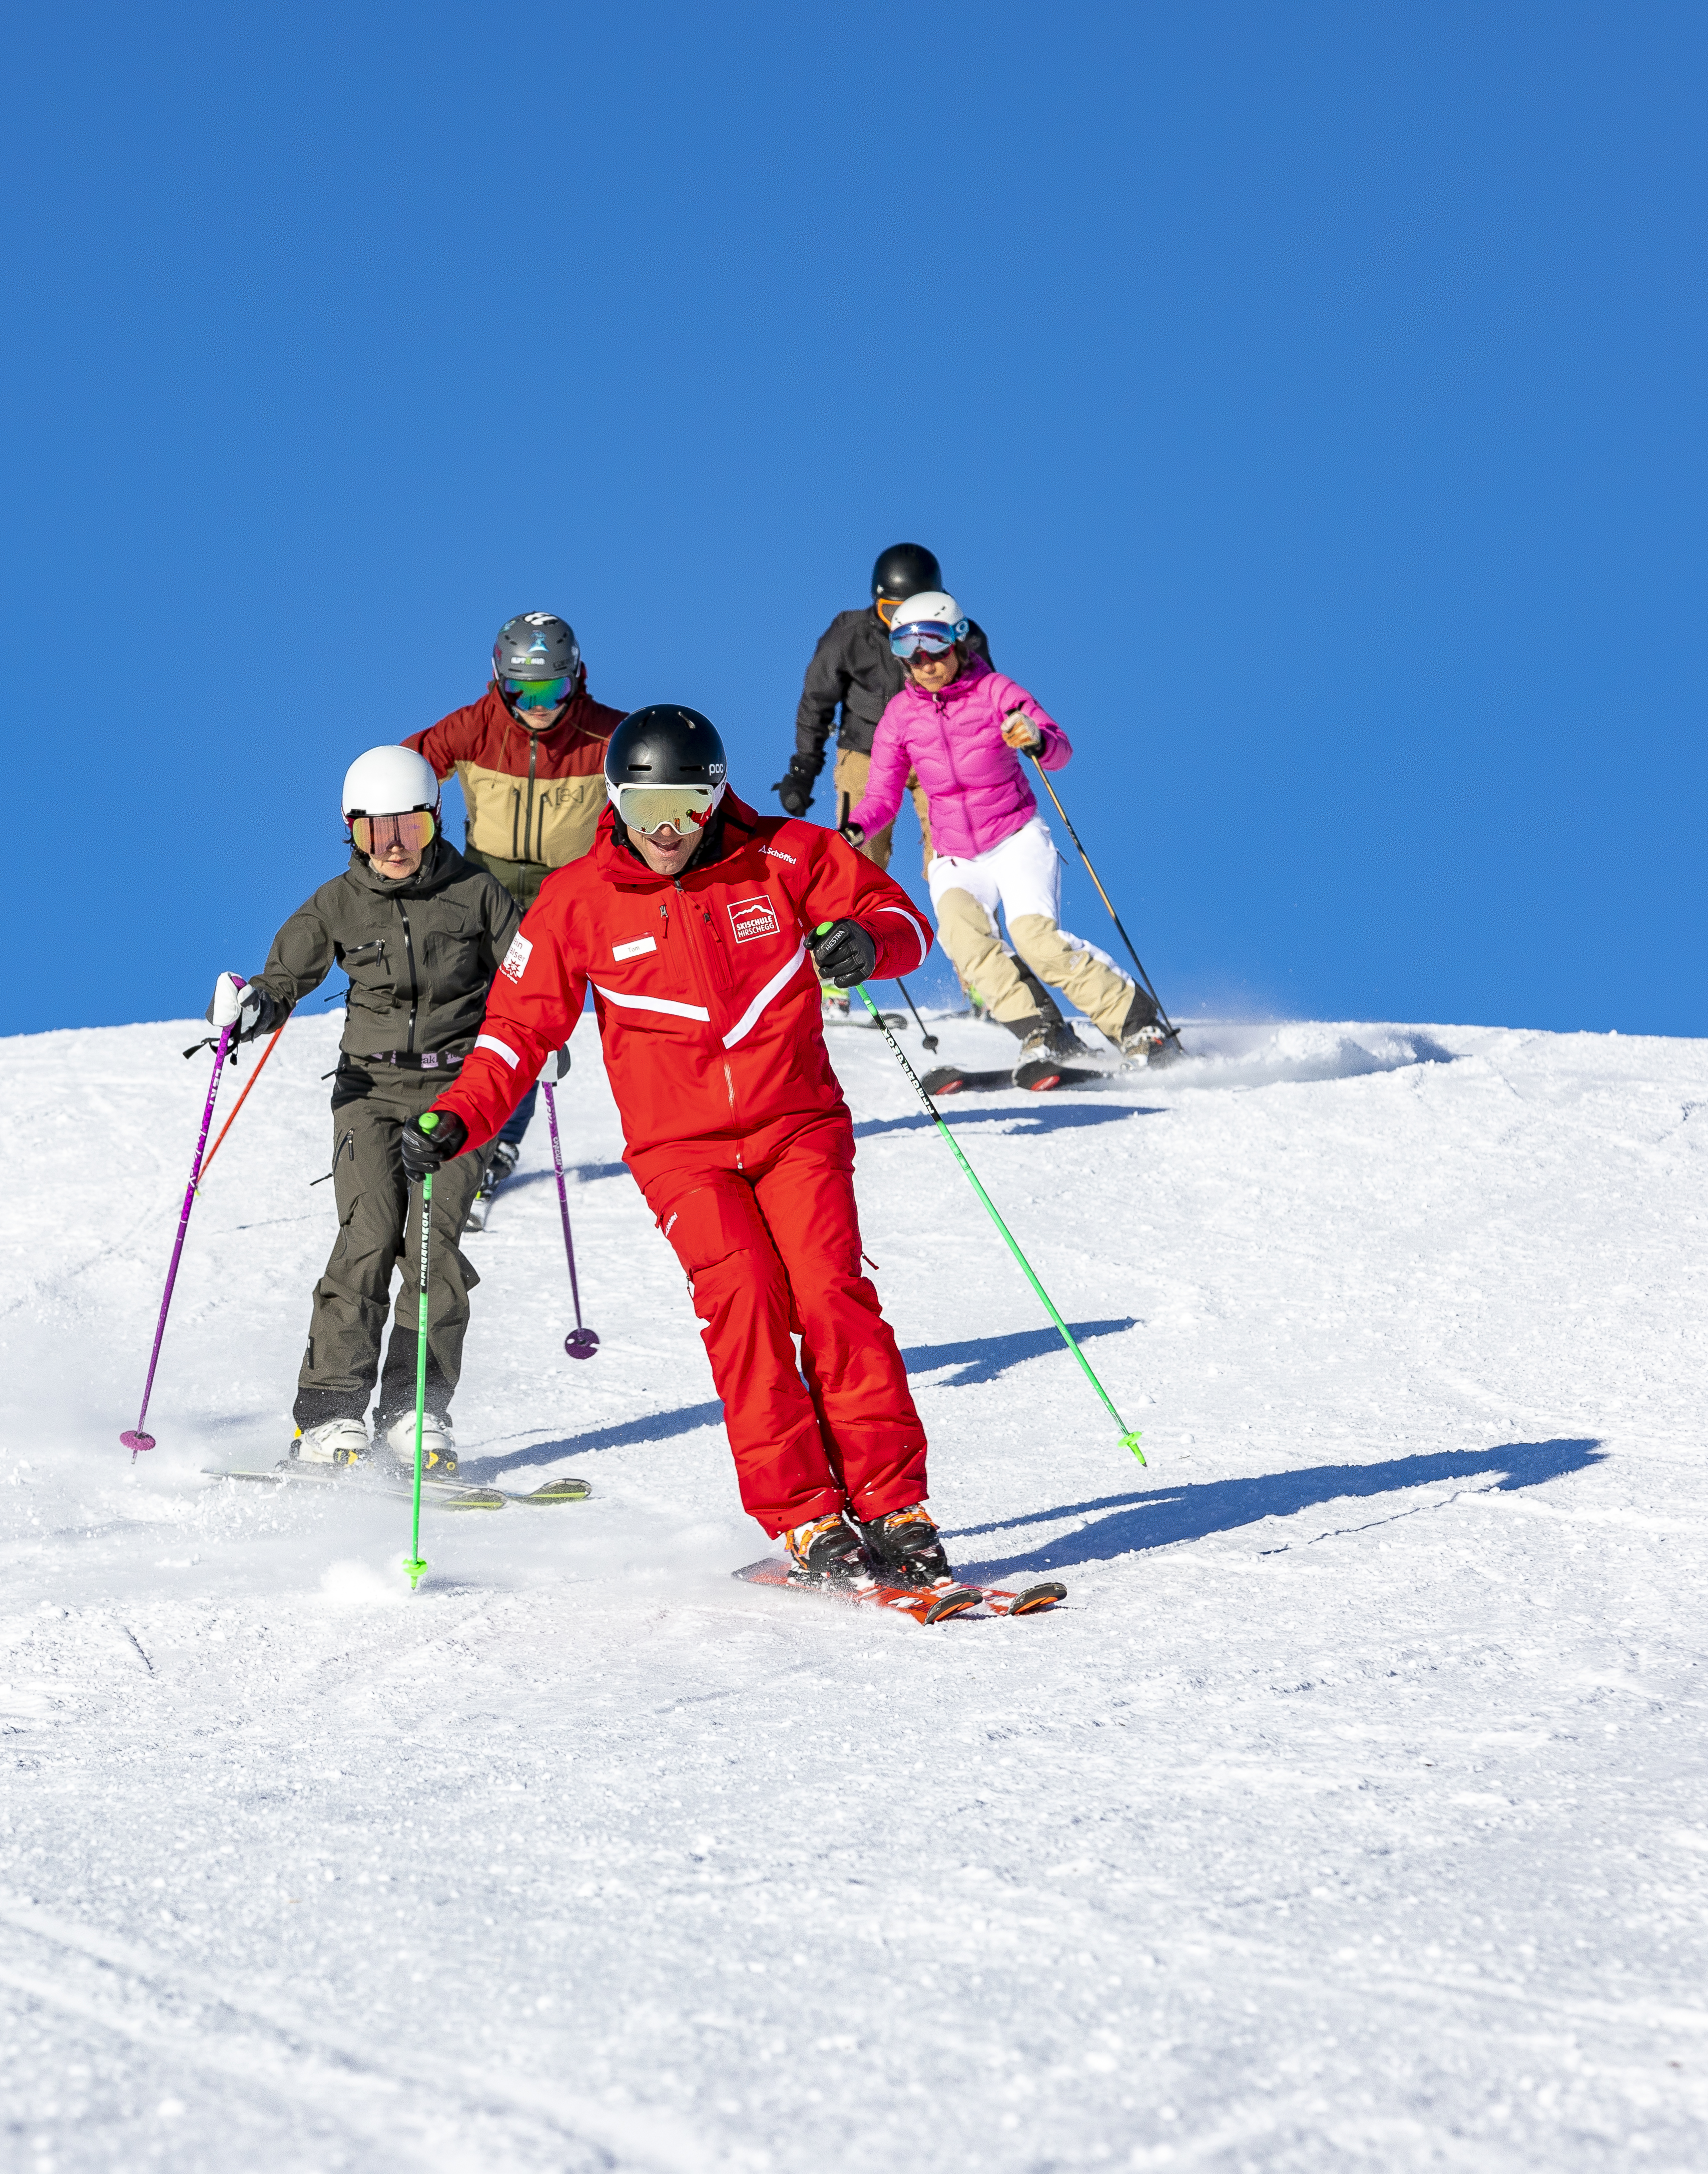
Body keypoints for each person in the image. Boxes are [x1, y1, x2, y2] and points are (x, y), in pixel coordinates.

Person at [390, 705, 968, 1590]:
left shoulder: (785, 857)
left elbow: (899, 917)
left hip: (797, 1126)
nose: (669, 830)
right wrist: (460, 1116)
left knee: (833, 1295)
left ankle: (894, 1504)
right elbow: (515, 1033)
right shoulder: (576, 901)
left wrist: (869, 941)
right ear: (614, 800)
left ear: (718, 795)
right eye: (647, 805)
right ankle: (807, 1516)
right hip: (682, 1150)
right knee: (743, 1302)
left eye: (691, 805)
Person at [210, 743, 519, 1475]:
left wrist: (544, 1036)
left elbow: (526, 976)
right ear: (349, 829)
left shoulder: (477, 894)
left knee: (432, 1247)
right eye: (371, 830)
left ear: (435, 821)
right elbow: (284, 978)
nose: (391, 846)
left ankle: (417, 1412)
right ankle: (327, 1416)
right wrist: (252, 1008)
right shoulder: (337, 903)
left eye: (407, 828)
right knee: (370, 1236)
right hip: (370, 1095)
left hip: (458, 1095)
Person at [850, 592, 1168, 1073]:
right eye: (908, 649)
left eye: (934, 645)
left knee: (1035, 940)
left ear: (957, 641)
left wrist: (1035, 739)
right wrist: (855, 829)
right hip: (955, 854)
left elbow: (1059, 750)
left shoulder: (995, 691)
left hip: (1015, 837)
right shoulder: (900, 716)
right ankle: (1043, 1032)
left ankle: (1139, 1026)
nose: (924, 662)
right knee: (963, 940)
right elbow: (882, 797)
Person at [779, 545, 1069, 1050]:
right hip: (870, 754)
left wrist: (1016, 739)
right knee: (858, 860)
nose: (907, 630)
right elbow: (817, 698)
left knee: (956, 859)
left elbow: (984, 697)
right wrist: (805, 768)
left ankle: (980, 981)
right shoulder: (849, 633)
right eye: (892, 613)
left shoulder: (964, 633)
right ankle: (837, 981)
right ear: (877, 605)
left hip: (941, 760)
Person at [403, 613, 626, 1218]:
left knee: (524, 1022)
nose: (538, 707)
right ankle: (436, 1122)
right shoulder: (475, 728)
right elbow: (410, 766)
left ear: (577, 680)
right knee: (456, 1006)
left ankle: (496, 1149)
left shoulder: (605, 736)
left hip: (563, 896)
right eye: (521, 693)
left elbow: (654, 772)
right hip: (484, 886)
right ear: (497, 681)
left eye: (553, 690)